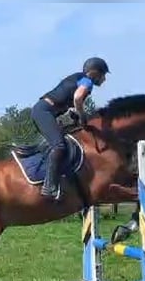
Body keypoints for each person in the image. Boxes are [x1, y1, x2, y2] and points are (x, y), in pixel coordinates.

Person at [31, 57, 109, 199]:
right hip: (44, 112)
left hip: (45, 111)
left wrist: (75, 114)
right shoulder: (87, 81)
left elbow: (69, 100)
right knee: (59, 145)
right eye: (103, 75)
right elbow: (78, 98)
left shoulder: (78, 78)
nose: (104, 79)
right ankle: (49, 187)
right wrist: (82, 114)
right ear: (94, 73)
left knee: (66, 141)